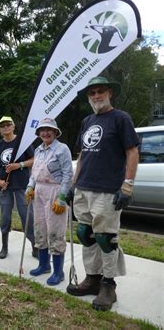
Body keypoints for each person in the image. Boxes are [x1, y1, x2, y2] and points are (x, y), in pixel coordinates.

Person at [65, 77, 139, 311]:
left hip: (107, 190)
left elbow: (132, 151)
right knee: (86, 234)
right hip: (83, 188)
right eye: (92, 93)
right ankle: (92, 279)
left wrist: (127, 186)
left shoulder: (121, 118)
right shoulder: (88, 121)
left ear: (109, 93)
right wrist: (73, 185)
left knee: (106, 239)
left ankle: (109, 285)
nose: (96, 96)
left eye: (100, 91)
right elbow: (83, 155)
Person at [26, 118, 73, 286]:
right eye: (42, 130)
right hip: (39, 191)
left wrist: (62, 198)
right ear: (39, 133)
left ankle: (58, 272)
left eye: (49, 130)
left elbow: (68, 174)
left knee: (55, 231)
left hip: (55, 191)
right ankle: (43, 264)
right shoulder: (38, 150)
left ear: (55, 132)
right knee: (39, 228)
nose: (45, 133)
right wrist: (30, 186)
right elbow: (34, 171)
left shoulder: (62, 149)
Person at [0, 116, 36, 259]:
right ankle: (4, 246)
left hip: (22, 186)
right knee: (5, 217)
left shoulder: (22, 143)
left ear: (13, 126)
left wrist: (18, 165)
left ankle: (35, 246)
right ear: (0, 129)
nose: (6, 127)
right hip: (5, 188)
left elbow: (34, 160)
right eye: (2, 126)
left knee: (27, 217)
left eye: (8, 124)